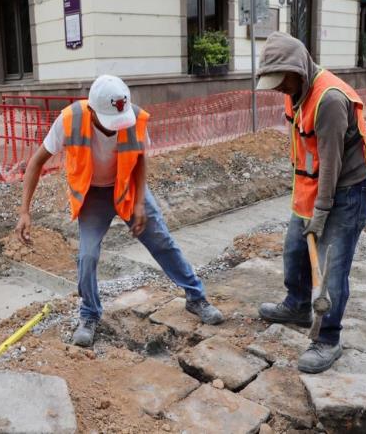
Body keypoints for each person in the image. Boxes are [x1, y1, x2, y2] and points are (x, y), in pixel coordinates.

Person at [15, 75, 224, 347]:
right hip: (93, 196)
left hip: (126, 188)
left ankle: (196, 297)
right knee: (87, 256)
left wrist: (138, 204)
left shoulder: (132, 116)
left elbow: (139, 160)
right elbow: (36, 163)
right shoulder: (69, 120)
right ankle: (89, 314)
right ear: (91, 111)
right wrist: (24, 211)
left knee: (161, 240)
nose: (116, 128)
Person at [255, 32, 366, 373]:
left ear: (300, 69)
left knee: (331, 270)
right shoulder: (295, 92)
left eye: (282, 81)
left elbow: (332, 163)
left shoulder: (330, 100)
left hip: (349, 190)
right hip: (313, 186)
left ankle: (328, 339)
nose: (279, 88)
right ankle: (297, 305)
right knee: (295, 250)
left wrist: (321, 212)